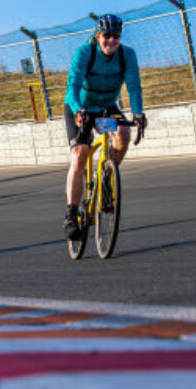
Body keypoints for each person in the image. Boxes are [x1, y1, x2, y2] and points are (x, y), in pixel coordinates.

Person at [62, 14, 147, 240]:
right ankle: (71, 214)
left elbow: (134, 87)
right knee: (80, 154)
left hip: (107, 106)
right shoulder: (84, 52)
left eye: (116, 37)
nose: (111, 41)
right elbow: (73, 85)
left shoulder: (127, 55)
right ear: (98, 36)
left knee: (124, 133)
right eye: (107, 36)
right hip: (80, 107)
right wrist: (78, 109)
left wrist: (138, 113)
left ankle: (108, 178)